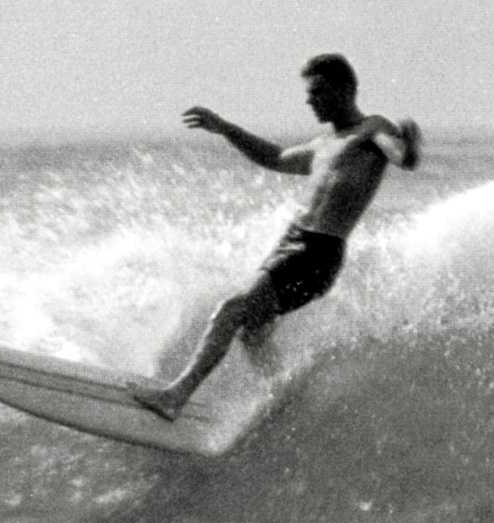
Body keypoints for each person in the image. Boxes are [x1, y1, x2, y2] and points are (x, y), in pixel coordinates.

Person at [129, 53, 421, 421]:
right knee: (253, 331)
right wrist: (227, 128)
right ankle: (285, 400)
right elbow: (277, 157)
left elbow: (399, 155)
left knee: (232, 310)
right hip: (290, 244)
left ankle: (175, 396)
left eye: (317, 91)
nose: (309, 100)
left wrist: (408, 149)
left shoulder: (372, 129)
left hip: (317, 251)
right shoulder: (322, 143)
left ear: (346, 89)